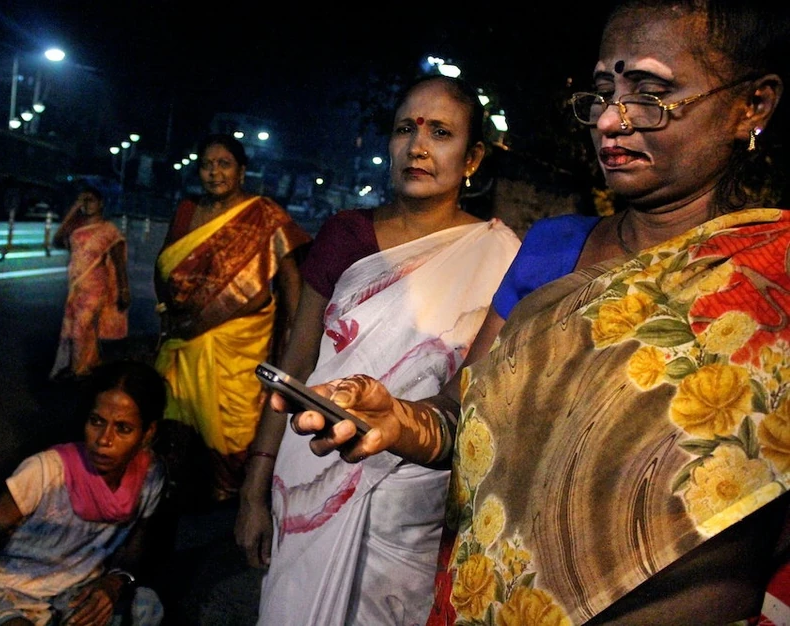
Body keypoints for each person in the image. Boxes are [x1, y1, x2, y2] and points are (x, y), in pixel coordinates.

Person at [288, 0, 790, 624]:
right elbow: (458, 416)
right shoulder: (554, 249)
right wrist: (398, 419)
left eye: (651, 93)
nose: (611, 120)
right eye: (604, 91)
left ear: (753, 105)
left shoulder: (776, 275)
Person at [237, 74, 522, 625]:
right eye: (404, 130)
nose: (417, 147)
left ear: (473, 157)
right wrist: (254, 487)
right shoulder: (346, 235)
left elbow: (484, 405)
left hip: (416, 506)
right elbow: (296, 366)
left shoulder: (501, 257)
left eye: (441, 132)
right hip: (311, 473)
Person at [0, 360, 167, 626]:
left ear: (148, 432)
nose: (104, 440)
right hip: (3, 589)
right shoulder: (45, 473)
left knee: (145, 607)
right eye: (96, 422)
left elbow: (133, 552)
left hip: (70, 591)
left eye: (123, 428)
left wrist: (113, 584)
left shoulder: (150, 476)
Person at [153, 133, 311, 503]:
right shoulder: (187, 211)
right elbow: (166, 262)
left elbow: (290, 279)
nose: (214, 172)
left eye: (223, 164)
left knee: (233, 424)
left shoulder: (265, 214)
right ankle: (174, 486)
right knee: (176, 409)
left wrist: (294, 336)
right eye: (207, 165)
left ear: (241, 171)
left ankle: (230, 495)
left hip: (240, 342)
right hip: (183, 337)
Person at [50, 186, 130, 381]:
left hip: (96, 287)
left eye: (90, 200)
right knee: (79, 329)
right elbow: (57, 240)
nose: (87, 204)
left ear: (101, 203)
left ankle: (80, 369)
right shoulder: (76, 229)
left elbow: (119, 262)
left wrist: (124, 289)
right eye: (83, 200)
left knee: (81, 326)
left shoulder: (108, 230)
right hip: (77, 286)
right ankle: (88, 365)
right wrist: (73, 209)